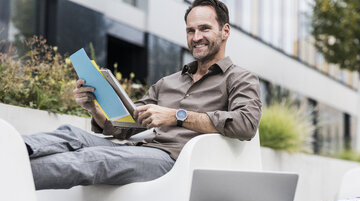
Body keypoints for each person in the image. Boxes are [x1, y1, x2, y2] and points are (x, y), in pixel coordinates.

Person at [23, 0, 262, 190]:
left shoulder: (240, 78)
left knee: (93, 158)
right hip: (137, 149)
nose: (196, 37)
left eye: (204, 29)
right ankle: (11, 152)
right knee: (71, 135)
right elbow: (127, 126)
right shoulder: (169, 82)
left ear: (225, 31)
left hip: (173, 161)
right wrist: (95, 109)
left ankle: (12, 177)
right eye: (190, 30)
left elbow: (246, 124)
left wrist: (176, 116)